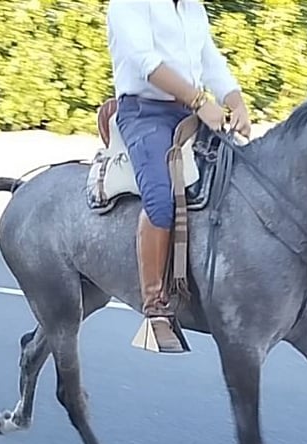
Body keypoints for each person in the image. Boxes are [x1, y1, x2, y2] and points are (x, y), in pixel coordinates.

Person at [106, 0, 251, 352]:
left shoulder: (192, 8)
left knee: (241, 180)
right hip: (145, 113)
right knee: (161, 198)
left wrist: (237, 100)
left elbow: (210, 60)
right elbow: (146, 63)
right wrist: (201, 102)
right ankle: (156, 309)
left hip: (190, 111)